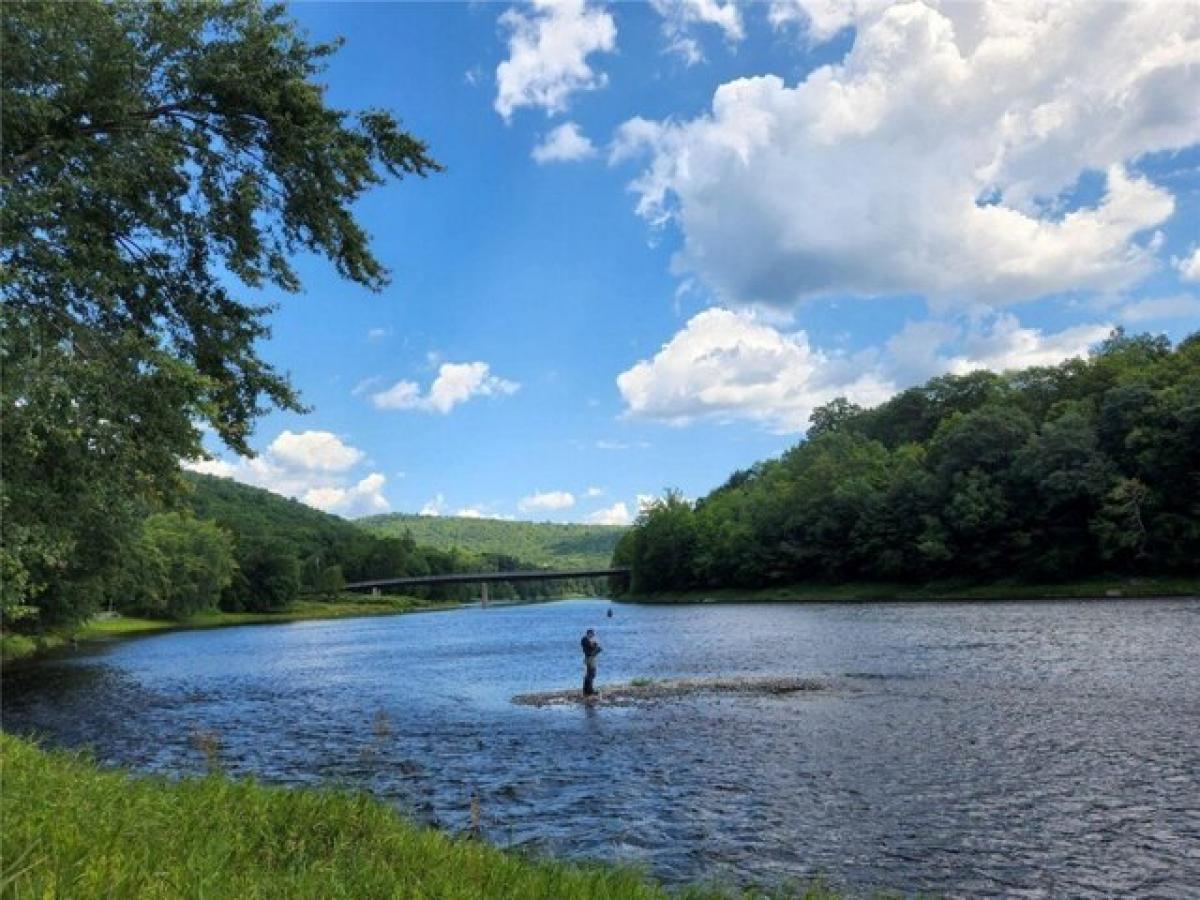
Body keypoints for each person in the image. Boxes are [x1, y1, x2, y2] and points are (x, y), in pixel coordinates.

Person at [580, 628, 602, 696]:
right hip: (590, 658)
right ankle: (589, 691)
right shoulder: (585, 640)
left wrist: (595, 646)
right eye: (592, 634)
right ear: (589, 633)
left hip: (590, 658)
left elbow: (593, 648)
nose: (593, 636)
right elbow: (591, 648)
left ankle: (587, 690)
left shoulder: (586, 640)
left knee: (590, 674)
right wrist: (595, 645)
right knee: (591, 674)